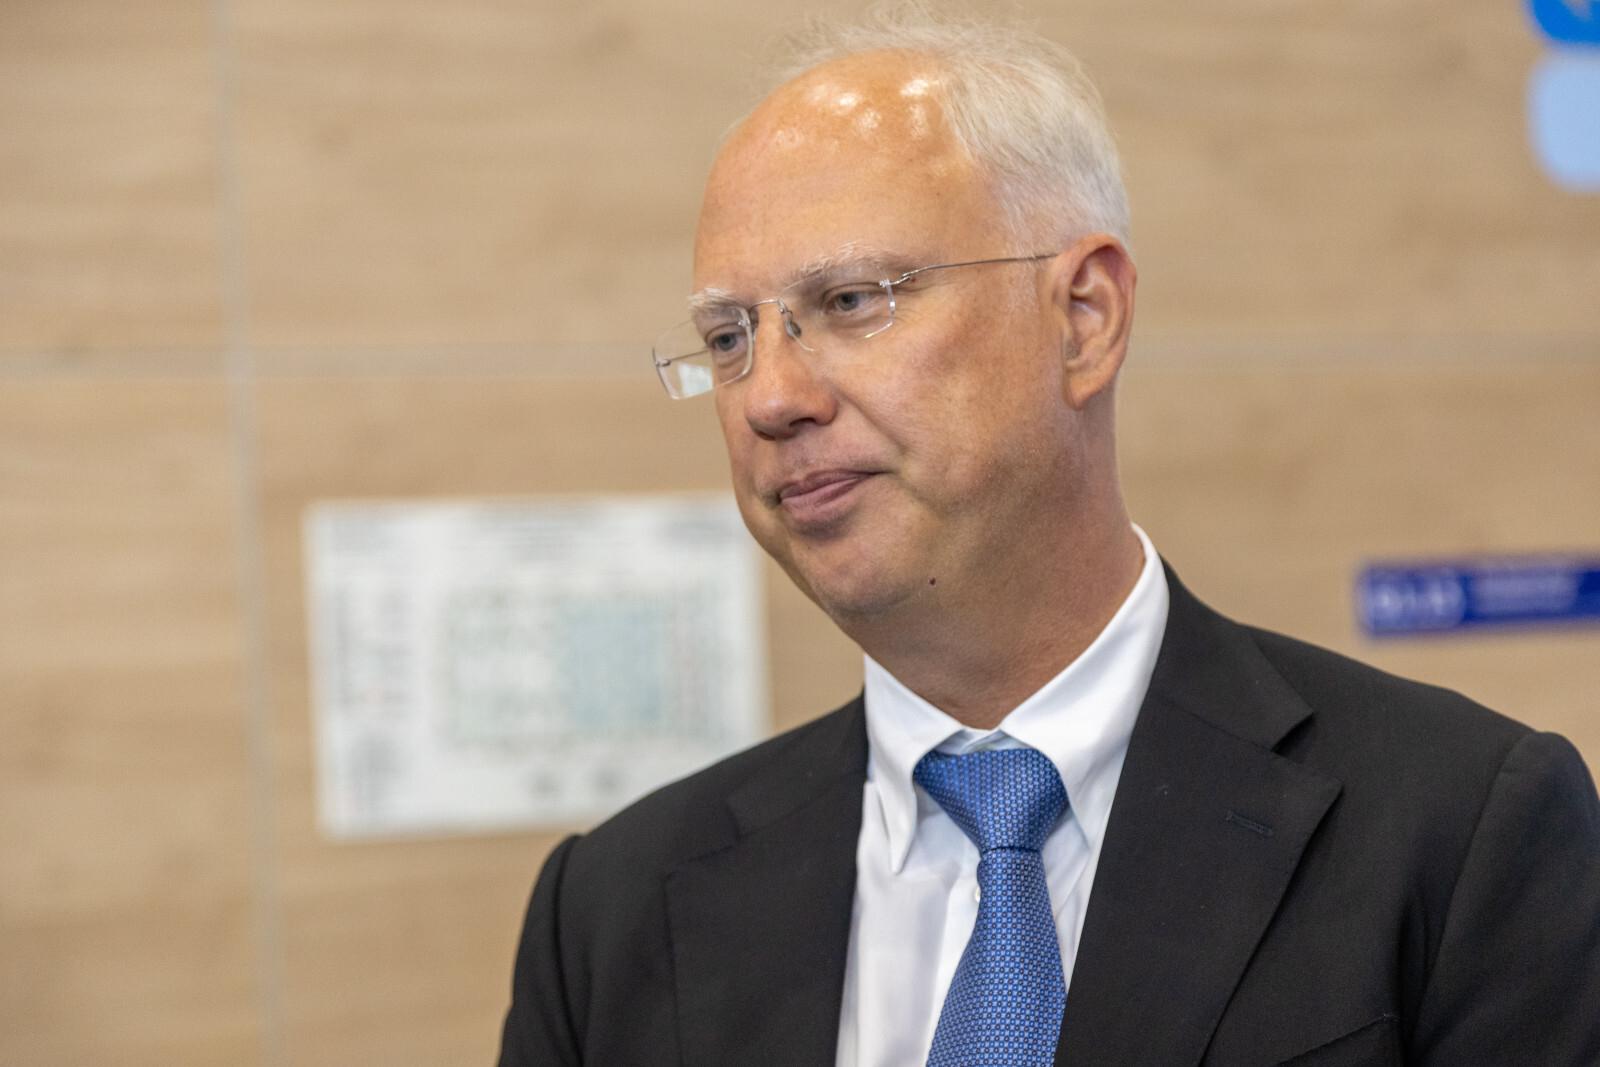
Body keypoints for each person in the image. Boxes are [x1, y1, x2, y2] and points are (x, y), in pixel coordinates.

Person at [498, 8, 1600, 1065]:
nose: (771, 396)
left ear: (1083, 319)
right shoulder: (609, 914)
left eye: (850, 300)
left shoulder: (1462, 828)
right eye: (728, 337)